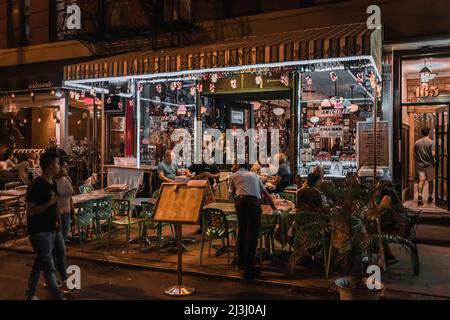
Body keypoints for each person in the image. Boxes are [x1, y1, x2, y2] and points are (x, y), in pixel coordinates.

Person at [25, 152, 65, 300]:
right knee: (48, 266)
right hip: (39, 232)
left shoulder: (53, 183)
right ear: (49, 166)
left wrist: (58, 223)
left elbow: (54, 207)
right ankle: (58, 296)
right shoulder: (35, 186)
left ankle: (29, 295)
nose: (59, 166)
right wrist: (50, 203)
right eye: (57, 163)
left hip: (51, 229)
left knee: (39, 264)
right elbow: (31, 211)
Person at [229, 163, 276, 280]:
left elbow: (232, 194)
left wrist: (237, 203)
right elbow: (266, 195)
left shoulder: (233, 176)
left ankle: (240, 264)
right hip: (254, 204)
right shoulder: (254, 176)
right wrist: (275, 209)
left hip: (240, 203)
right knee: (252, 236)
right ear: (247, 167)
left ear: (237, 167)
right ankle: (248, 270)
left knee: (242, 233)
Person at [414, 127, 436, 206]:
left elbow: (415, 154)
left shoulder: (417, 143)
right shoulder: (431, 142)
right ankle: (430, 197)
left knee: (421, 180)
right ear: (429, 132)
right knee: (430, 181)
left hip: (420, 165)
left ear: (421, 132)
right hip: (430, 165)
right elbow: (433, 154)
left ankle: (420, 196)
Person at [55, 158, 74, 242]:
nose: (67, 168)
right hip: (57, 215)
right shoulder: (53, 181)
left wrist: (72, 212)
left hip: (67, 214)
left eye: (67, 166)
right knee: (58, 242)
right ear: (58, 167)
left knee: (63, 239)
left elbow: (70, 197)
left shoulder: (67, 179)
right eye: (64, 167)